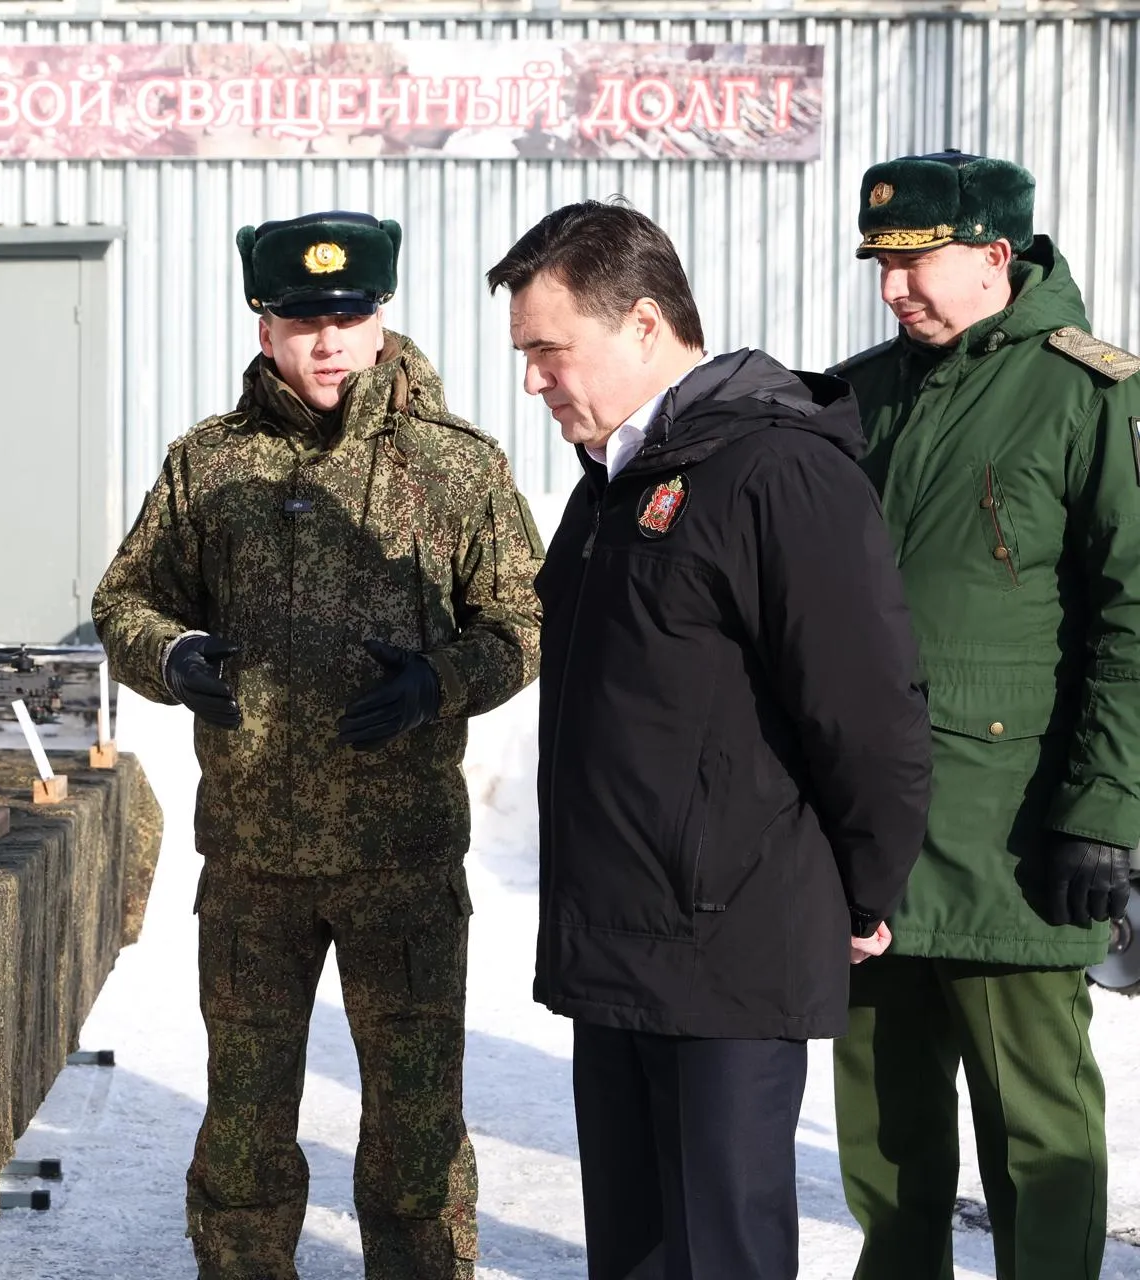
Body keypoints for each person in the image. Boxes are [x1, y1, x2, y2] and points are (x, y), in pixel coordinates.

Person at [92, 210, 543, 1279]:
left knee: (414, 1126)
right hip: (254, 863)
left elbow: (523, 619)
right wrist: (174, 655)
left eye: (349, 315)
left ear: (380, 318)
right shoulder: (209, 466)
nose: (328, 340)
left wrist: (444, 679)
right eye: (303, 318)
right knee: (245, 1127)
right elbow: (125, 600)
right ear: (265, 325)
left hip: (402, 860)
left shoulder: (455, 468)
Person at [489, 199, 933, 1280]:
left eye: (552, 349)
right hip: (621, 946)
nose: (535, 378)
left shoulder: (775, 472)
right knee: (637, 1255)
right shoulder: (613, 484)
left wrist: (865, 891)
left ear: (644, 324)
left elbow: (868, 714)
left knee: (721, 1253)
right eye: (525, 354)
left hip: (728, 946)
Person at [828, 150, 1140, 1280]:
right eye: (883, 265)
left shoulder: (1090, 392)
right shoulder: (855, 395)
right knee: (884, 1136)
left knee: (1038, 1138)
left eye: (918, 264)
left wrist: (1104, 808)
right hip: (870, 834)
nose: (896, 287)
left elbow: (1133, 615)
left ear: (995, 258)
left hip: (1014, 836)